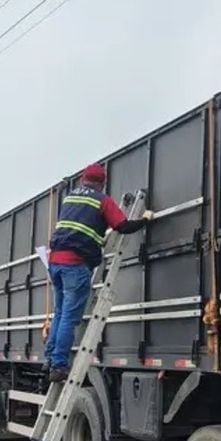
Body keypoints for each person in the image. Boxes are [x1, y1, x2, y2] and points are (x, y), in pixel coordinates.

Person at [44, 163, 153, 382]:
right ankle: (58, 365)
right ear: (102, 183)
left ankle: (50, 359)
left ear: (83, 180)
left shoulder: (70, 198)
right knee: (69, 317)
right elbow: (122, 227)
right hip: (75, 265)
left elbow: (78, 226)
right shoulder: (101, 200)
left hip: (55, 262)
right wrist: (145, 219)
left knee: (59, 312)